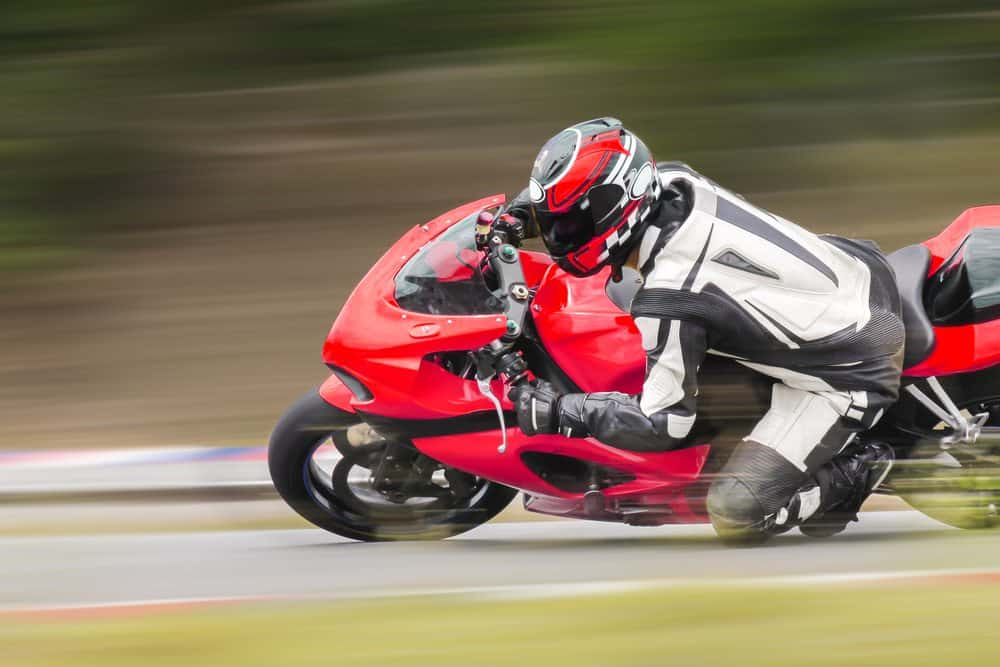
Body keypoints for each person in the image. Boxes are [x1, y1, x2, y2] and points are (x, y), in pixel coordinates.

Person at [485, 117, 902, 542]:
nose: (557, 236)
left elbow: (663, 425)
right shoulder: (672, 180)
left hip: (850, 369)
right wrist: (517, 216)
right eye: (552, 222)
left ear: (615, 209)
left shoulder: (669, 294)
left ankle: (856, 468)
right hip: (854, 272)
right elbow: (574, 202)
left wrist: (562, 411)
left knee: (737, 515)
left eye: (569, 226)